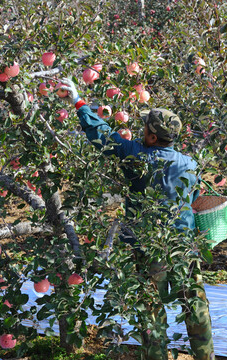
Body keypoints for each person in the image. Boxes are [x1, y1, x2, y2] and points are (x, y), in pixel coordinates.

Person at [60, 78, 216, 360]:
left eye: (145, 127)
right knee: (195, 308)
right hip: (182, 248)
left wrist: (79, 103)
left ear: (153, 137)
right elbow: (194, 200)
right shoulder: (190, 164)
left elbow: (102, 135)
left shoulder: (136, 156)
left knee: (151, 314)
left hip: (147, 248)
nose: (141, 129)